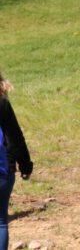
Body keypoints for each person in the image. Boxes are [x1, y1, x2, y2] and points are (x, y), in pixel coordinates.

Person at [0, 75, 31, 250]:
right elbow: (15, 137)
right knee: (1, 221)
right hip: (3, 169)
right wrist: (25, 165)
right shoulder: (2, 104)